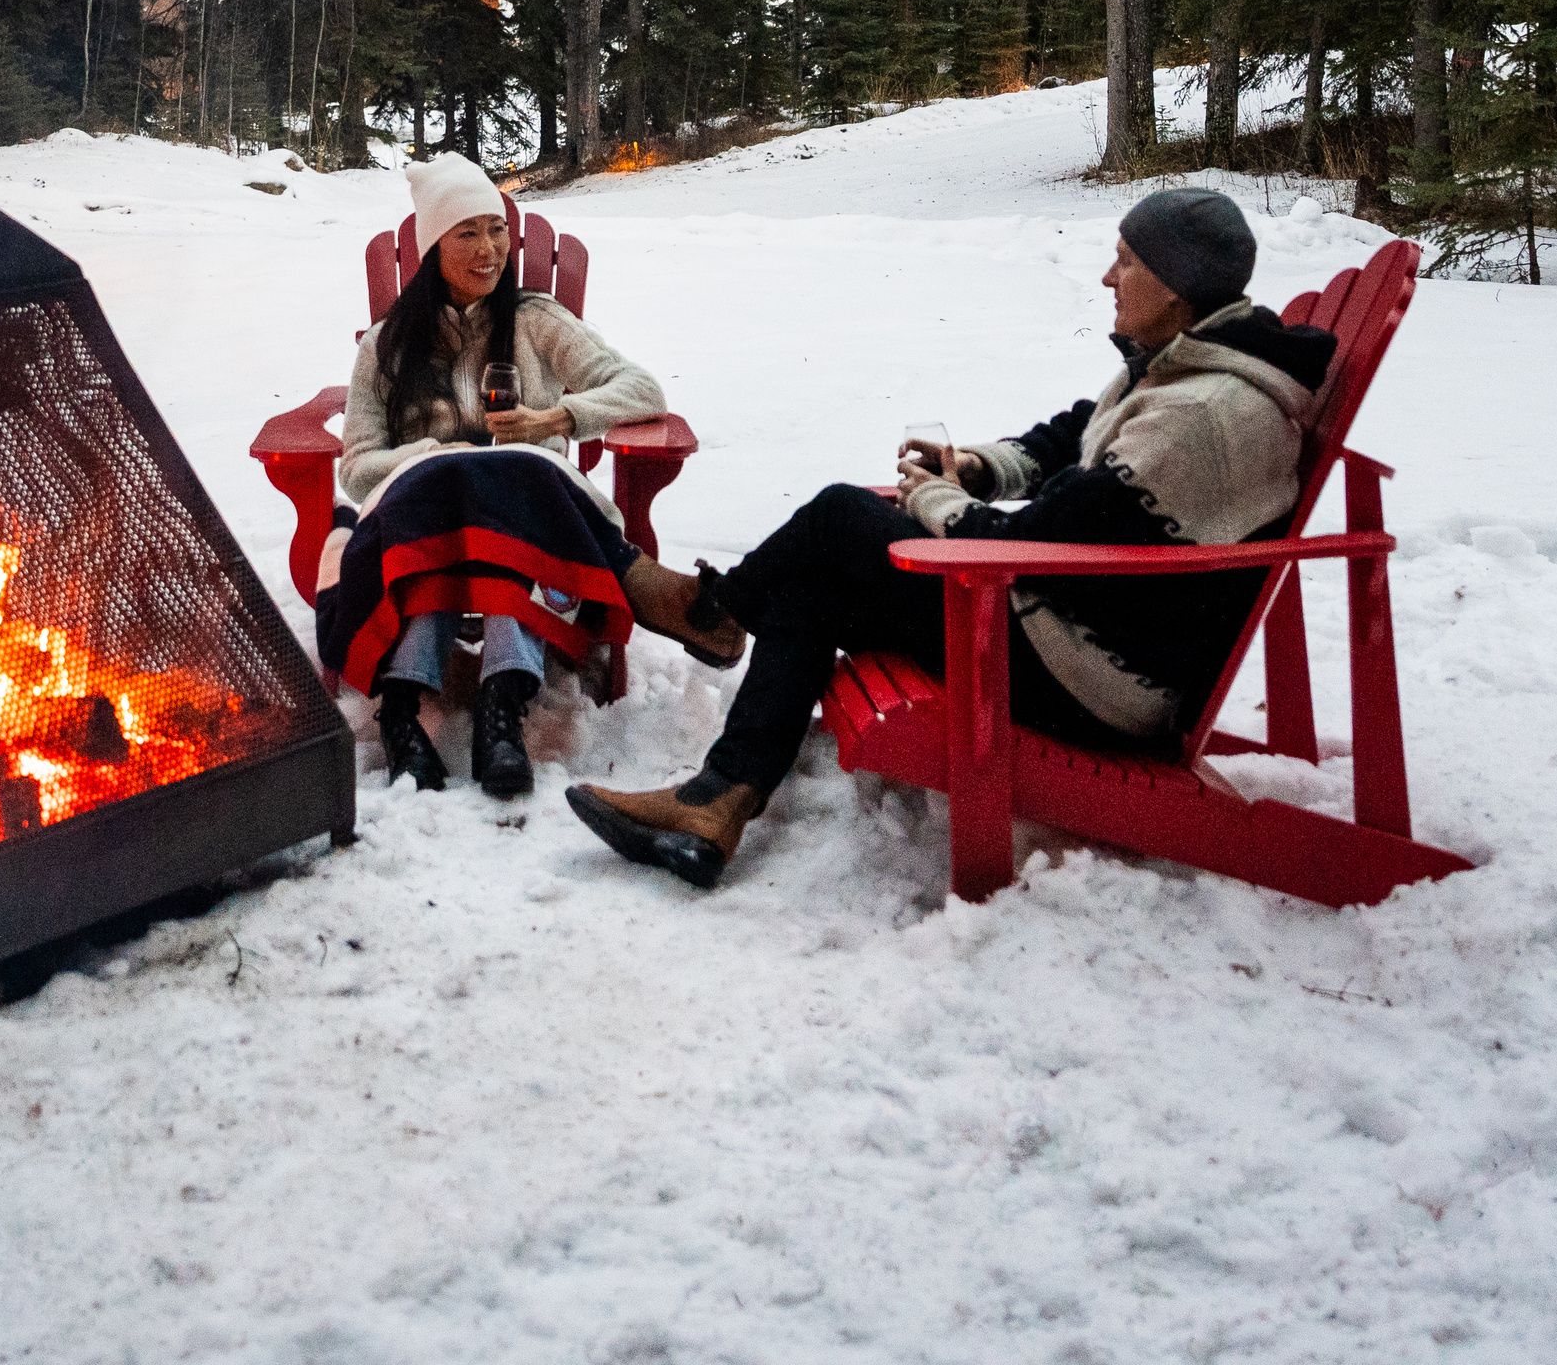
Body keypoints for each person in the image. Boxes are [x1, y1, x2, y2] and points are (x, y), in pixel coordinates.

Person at [565, 187, 1336, 888]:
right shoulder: (1187, 365)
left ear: (1173, 285)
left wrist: (935, 499)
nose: (1108, 277)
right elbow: (1076, 438)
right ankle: (715, 800)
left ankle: (716, 612)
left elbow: (1036, 547)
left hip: (1094, 677)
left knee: (840, 516)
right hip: (1068, 630)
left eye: (1127, 261)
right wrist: (974, 468)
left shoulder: (1201, 414)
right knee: (815, 582)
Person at [319, 154, 743, 800]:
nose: (488, 249)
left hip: (531, 517)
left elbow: (642, 389)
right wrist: (433, 456)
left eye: (497, 230)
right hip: (426, 520)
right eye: (467, 233)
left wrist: (557, 417)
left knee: (512, 484)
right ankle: (635, 586)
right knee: (457, 483)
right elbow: (356, 468)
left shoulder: (536, 320)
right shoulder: (385, 346)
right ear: (432, 247)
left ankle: (495, 704)